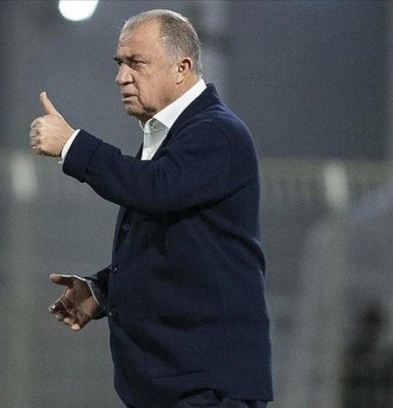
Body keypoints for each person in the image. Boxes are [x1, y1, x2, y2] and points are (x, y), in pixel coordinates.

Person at [29, 9, 272, 408]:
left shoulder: (217, 132)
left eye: (136, 63)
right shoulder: (173, 136)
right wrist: (102, 290)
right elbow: (181, 250)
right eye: (119, 63)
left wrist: (72, 145)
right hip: (177, 386)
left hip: (209, 390)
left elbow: (154, 188)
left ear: (182, 68)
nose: (121, 77)